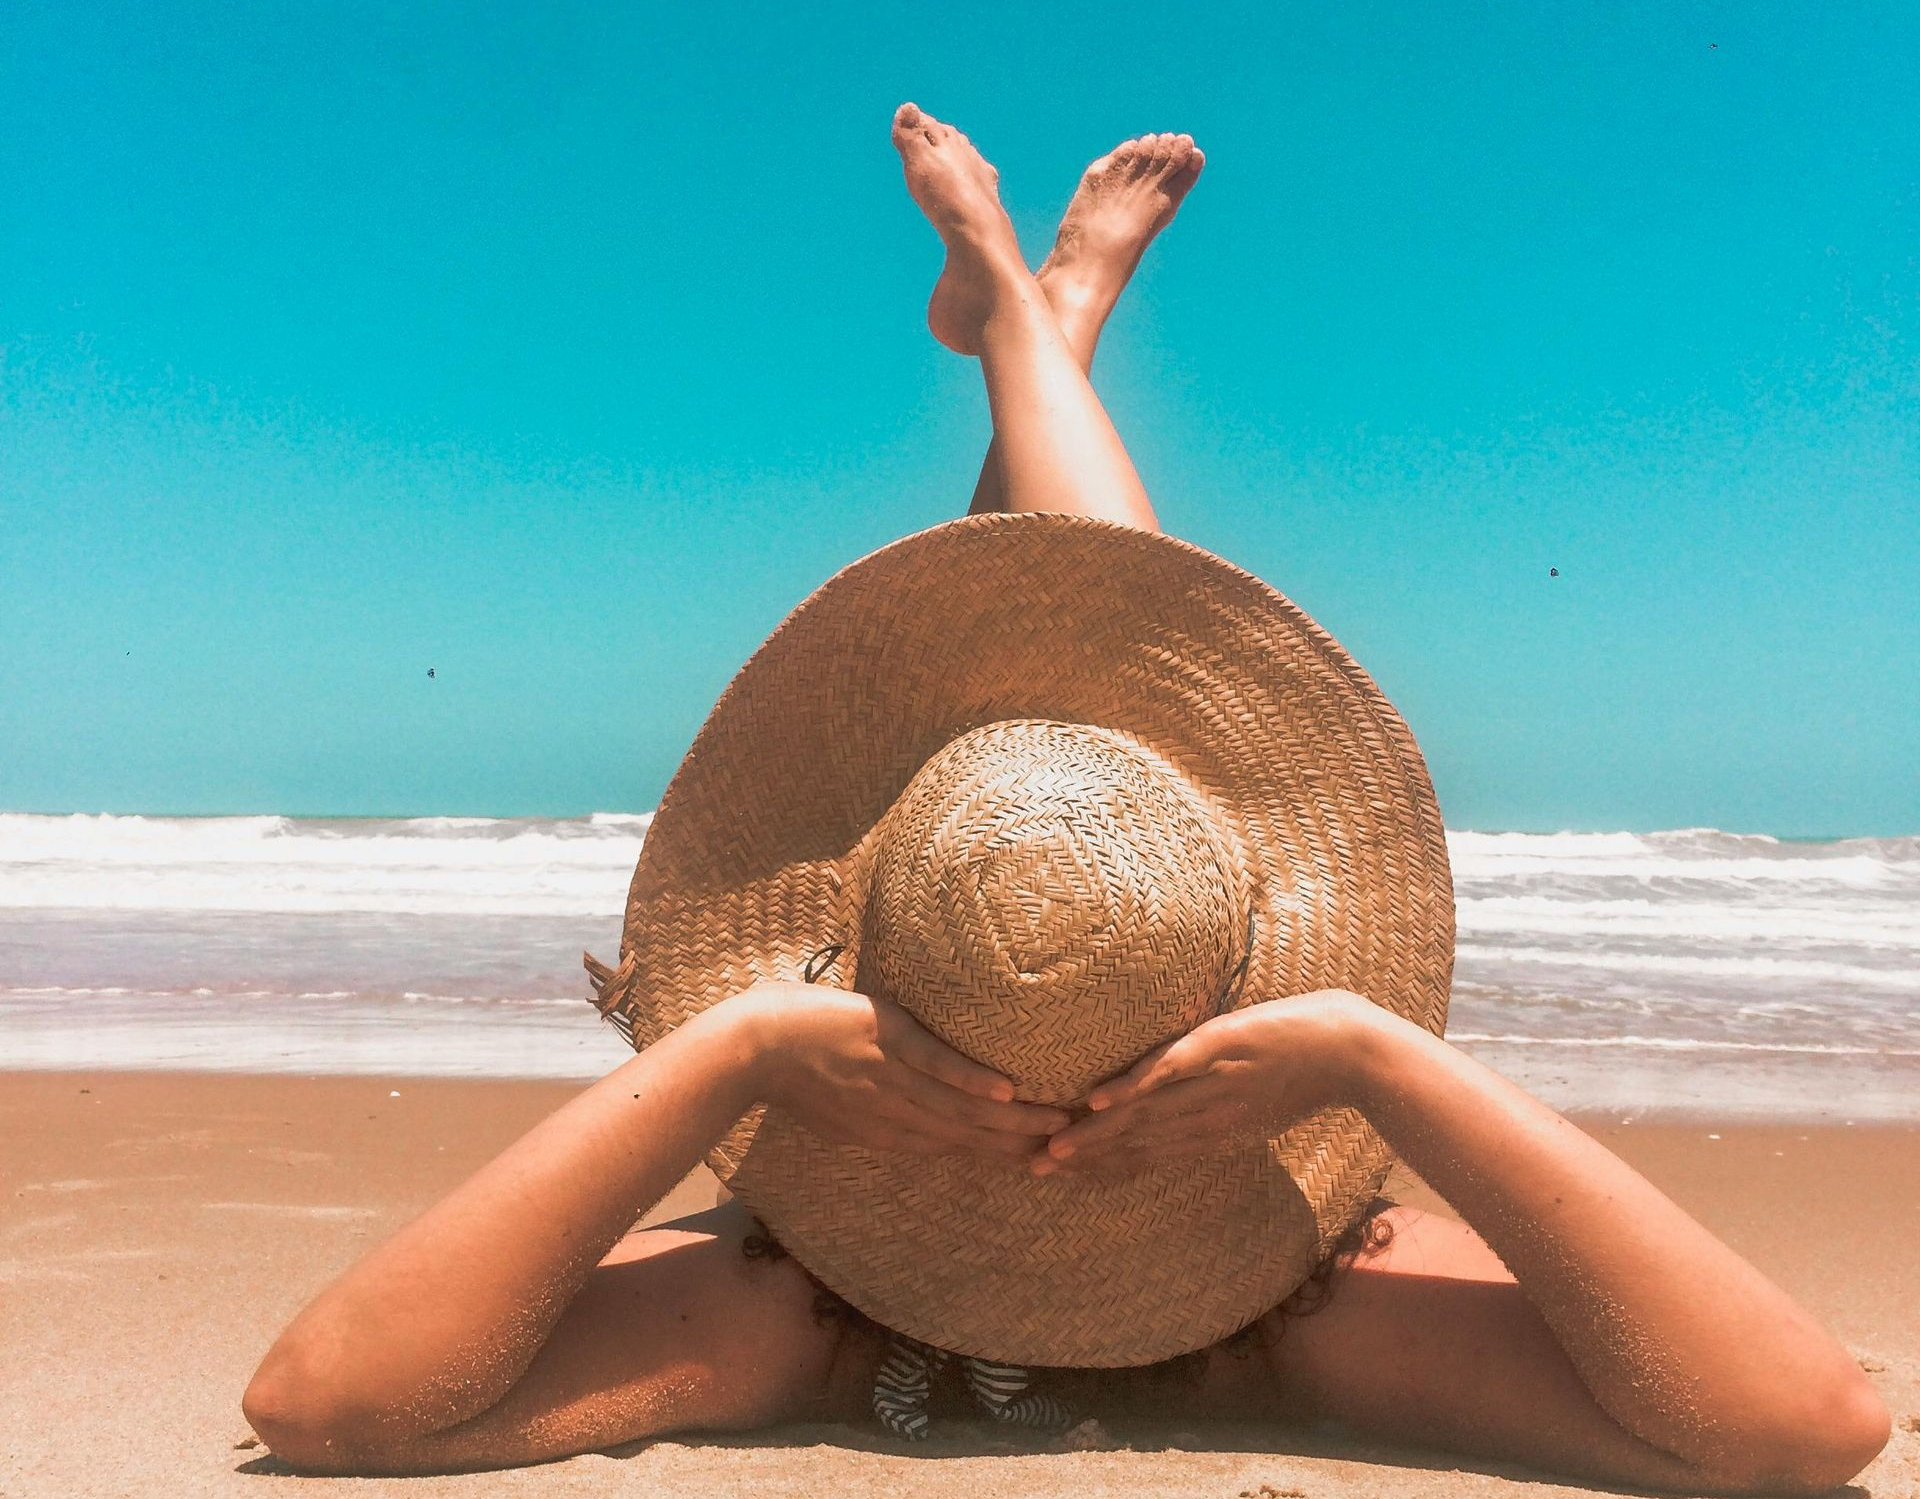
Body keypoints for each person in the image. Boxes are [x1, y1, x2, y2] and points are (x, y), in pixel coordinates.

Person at [240, 104, 1889, 1492]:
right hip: (1139, 1177)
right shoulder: (1289, 1298)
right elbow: (1804, 1431)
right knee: (1069, 751)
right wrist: (1370, 1054)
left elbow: (327, 1407)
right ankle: (1040, 329)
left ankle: (1036, 329)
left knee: (1064, 736)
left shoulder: (795, 1305)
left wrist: (734, 1053)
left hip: (917, 1183)